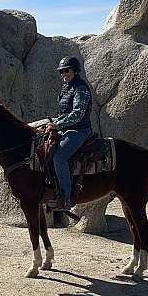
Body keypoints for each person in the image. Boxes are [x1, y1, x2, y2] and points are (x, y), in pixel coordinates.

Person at [45, 56, 92, 210]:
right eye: (61, 71)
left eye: (67, 70)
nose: (63, 74)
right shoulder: (67, 87)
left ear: (75, 71)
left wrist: (57, 125)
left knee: (59, 157)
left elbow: (78, 113)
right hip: (66, 128)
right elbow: (65, 112)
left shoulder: (81, 88)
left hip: (80, 130)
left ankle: (66, 198)